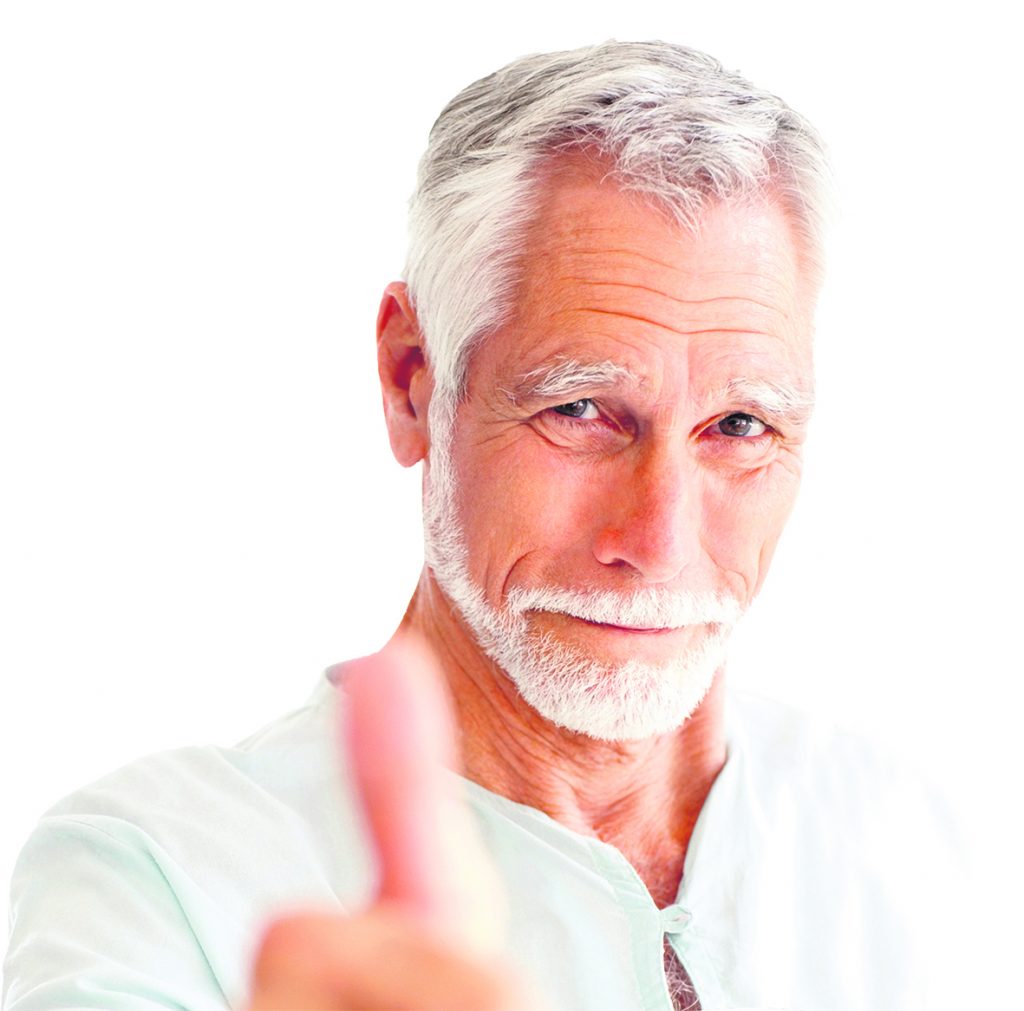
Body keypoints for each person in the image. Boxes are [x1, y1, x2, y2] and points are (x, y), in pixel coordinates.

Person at [4, 41, 959, 1011]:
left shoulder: (927, 849)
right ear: (412, 379)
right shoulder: (154, 882)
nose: (659, 543)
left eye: (740, 426)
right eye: (579, 410)